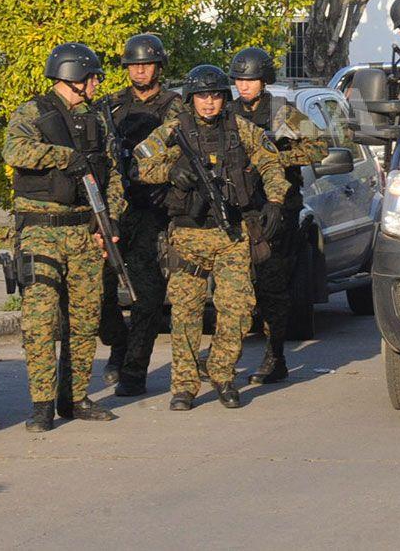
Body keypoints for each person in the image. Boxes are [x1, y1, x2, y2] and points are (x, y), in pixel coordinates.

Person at [134, 65, 290, 411]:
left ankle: (221, 373)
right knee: (186, 312)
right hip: (189, 234)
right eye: (202, 96)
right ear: (192, 99)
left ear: (224, 98)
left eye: (216, 95)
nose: (209, 103)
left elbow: (270, 162)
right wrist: (171, 171)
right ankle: (185, 386)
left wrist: (276, 200)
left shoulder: (241, 129)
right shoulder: (174, 130)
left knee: (237, 309)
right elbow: (140, 166)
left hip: (232, 234)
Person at [4, 42, 126, 432]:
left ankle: (74, 398)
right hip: (40, 231)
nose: (96, 85)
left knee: (84, 319)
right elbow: (14, 150)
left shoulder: (97, 119)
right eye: (92, 78)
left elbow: (113, 173)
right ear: (75, 78)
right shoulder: (33, 112)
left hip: (84, 231)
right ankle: (42, 404)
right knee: (40, 319)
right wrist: (62, 157)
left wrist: (110, 224)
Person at [228, 47, 328, 385]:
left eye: (251, 79)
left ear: (263, 80)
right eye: (240, 79)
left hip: (278, 208)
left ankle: (275, 354)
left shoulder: (284, 112)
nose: (244, 86)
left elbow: (320, 147)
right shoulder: (228, 114)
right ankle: (226, 358)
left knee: (273, 285)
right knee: (234, 288)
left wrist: (278, 156)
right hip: (241, 207)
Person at [96, 33, 183, 397]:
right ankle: (119, 343)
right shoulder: (110, 106)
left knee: (148, 295)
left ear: (158, 67)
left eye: (146, 64)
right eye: (134, 65)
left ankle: (134, 368)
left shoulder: (176, 107)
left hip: (154, 210)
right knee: (98, 292)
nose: (140, 70)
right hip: (112, 209)